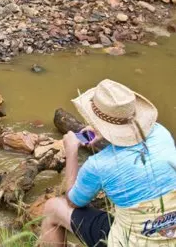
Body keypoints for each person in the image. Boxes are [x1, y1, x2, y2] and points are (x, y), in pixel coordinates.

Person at [40, 79, 176, 246]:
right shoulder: (161, 132)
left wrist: (72, 153)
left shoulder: (99, 164)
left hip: (128, 242)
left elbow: (73, 201)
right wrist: (107, 134)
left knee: (52, 208)